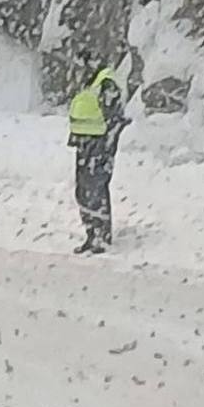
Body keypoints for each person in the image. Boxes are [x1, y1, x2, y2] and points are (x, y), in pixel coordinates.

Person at [67, 52, 130, 255]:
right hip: (84, 142)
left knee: (95, 188)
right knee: (83, 190)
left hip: (98, 144)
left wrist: (107, 144)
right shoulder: (91, 83)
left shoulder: (106, 82)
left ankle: (101, 235)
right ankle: (91, 233)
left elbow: (113, 117)